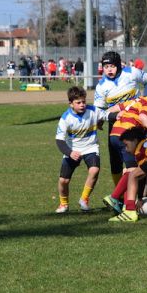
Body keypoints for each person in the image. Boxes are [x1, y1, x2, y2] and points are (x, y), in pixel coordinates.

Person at [54, 86, 119, 214]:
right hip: (73, 150)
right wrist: (70, 152)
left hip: (91, 147)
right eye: (78, 102)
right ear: (71, 104)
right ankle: (64, 204)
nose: (82, 105)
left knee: (94, 170)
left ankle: (84, 199)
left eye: (84, 101)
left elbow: (107, 116)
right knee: (63, 180)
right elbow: (59, 141)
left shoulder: (93, 110)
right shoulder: (66, 118)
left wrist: (119, 115)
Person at [101, 96, 147, 219]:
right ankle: (115, 198)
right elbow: (143, 118)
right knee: (133, 171)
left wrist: (115, 116)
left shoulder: (137, 100)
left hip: (114, 134)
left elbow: (111, 109)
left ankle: (127, 206)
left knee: (130, 170)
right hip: (128, 136)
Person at [94, 51, 147, 186]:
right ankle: (119, 195)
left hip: (136, 122)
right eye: (106, 67)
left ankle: (143, 187)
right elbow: (99, 110)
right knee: (114, 159)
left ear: (119, 65)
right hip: (115, 124)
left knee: (140, 156)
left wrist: (146, 99)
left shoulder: (131, 73)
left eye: (112, 66)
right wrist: (104, 119)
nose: (109, 69)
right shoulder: (101, 86)